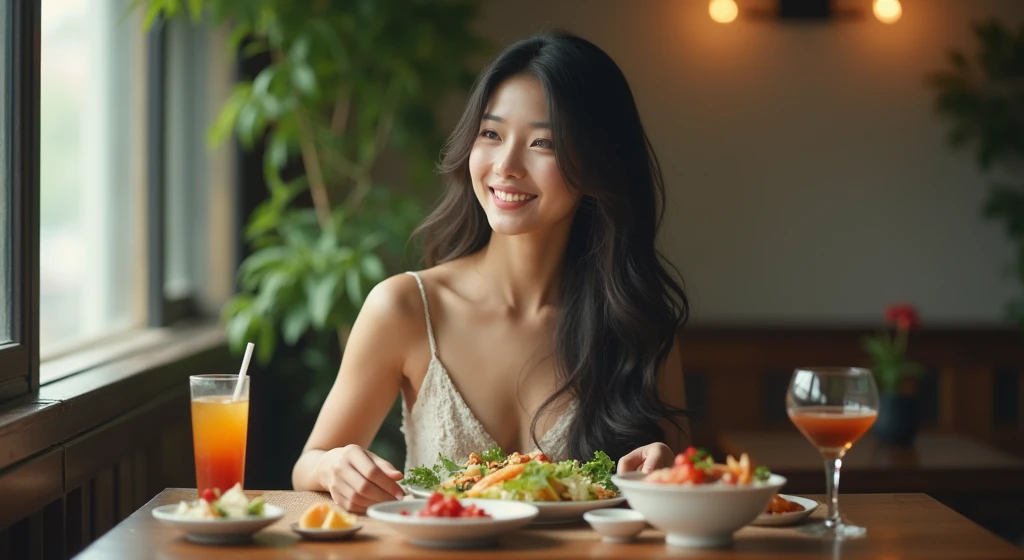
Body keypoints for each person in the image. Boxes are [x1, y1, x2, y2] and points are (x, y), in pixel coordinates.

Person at [292, 30, 690, 513]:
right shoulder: (405, 307)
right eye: (491, 134)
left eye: (543, 142)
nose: (506, 165)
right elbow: (308, 463)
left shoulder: (636, 321)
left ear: (597, 164)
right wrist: (335, 468)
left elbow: (682, 487)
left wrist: (666, 463)